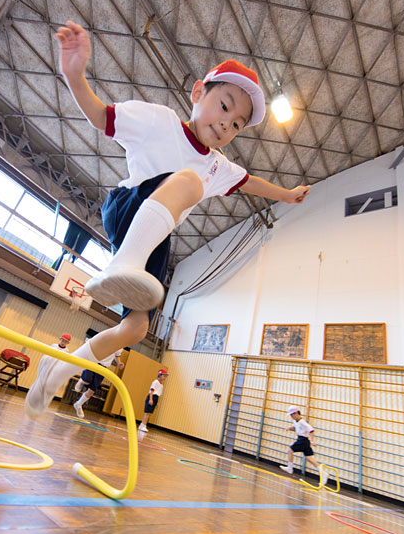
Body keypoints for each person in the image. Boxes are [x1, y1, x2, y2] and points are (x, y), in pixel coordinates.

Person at [23, 21, 310, 419]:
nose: (226, 124)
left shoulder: (218, 166)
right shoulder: (160, 122)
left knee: (136, 329)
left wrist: (287, 194)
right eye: (224, 107)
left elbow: (250, 182)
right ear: (198, 93)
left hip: (155, 238)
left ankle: (56, 373)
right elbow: (100, 116)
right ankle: (123, 265)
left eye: (237, 124)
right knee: (189, 181)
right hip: (128, 206)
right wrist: (74, 75)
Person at [72, 348, 123, 418]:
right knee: (86, 380)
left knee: (91, 391)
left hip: (103, 367)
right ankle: (82, 380)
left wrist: (119, 363)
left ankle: (78, 404)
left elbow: (117, 355)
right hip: (94, 360)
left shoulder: (120, 346)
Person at [280, 405, 322, 476]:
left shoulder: (302, 422)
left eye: (292, 415)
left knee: (290, 451)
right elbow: (295, 428)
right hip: (303, 440)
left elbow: (311, 430)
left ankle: (290, 468)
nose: (291, 417)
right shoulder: (295, 421)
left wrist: (312, 441)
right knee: (309, 458)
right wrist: (289, 428)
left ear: (296, 413)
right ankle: (323, 473)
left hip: (303, 440)